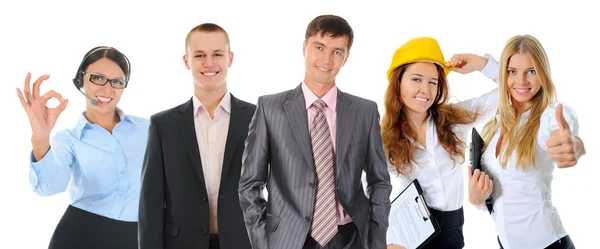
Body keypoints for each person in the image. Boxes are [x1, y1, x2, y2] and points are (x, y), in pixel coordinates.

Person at [238, 14, 392, 249]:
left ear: (346, 58)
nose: (327, 59)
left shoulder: (365, 111)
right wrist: (262, 243)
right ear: (304, 47)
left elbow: (379, 181)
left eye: (337, 51)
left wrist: (377, 239)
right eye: (319, 47)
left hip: (351, 238)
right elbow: (250, 184)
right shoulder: (270, 108)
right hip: (288, 240)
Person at [138, 23, 255, 249]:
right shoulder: (163, 125)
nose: (209, 63)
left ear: (230, 58)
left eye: (217, 54)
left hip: (244, 242)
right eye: (199, 55)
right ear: (186, 61)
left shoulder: (257, 118)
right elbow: (150, 203)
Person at [16, 46, 146, 249]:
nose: (107, 88)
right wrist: (41, 137)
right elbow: (49, 187)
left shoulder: (149, 129)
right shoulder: (69, 139)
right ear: (81, 80)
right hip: (79, 235)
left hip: (136, 237)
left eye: (117, 82)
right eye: (97, 78)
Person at [381, 37, 499, 249]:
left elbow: (511, 94)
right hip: (409, 237)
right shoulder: (383, 138)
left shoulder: (455, 120)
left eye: (433, 82)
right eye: (416, 79)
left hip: (452, 231)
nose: (425, 90)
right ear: (398, 82)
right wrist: (385, 242)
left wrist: (482, 64)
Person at [470, 34, 585, 249]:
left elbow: (561, 126)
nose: (521, 81)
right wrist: (478, 200)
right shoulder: (497, 123)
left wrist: (573, 144)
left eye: (531, 71)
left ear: (543, 74)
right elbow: (504, 196)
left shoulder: (546, 117)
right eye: (512, 71)